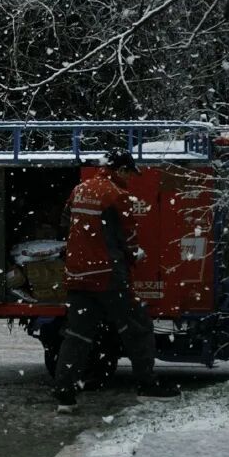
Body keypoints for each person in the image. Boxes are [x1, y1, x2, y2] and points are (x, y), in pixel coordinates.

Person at [54, 147, 180, 413]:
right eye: (128, 173)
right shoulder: (117, 195)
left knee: (77, 335)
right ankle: (147, 384)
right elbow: (128, 237)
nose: (130, 179)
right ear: (119, 170)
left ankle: (64, 395)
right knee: (137, 327)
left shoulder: (81, 189)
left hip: (78, 275)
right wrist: (135, 254)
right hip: (108, 276)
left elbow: (65, 223)